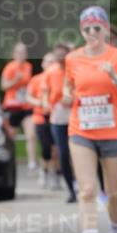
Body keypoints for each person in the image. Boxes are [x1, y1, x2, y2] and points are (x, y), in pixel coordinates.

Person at [64, 7, 117, 233]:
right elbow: (68, 88)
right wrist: (65, 96)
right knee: (87, 190)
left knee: (114, 194)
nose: (92, 33)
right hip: (81, 130)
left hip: (115, 132)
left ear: (106, 29)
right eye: (87, 28)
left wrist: (115, 78)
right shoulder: (72, 59)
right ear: (81, 31)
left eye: (97, 27)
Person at [42, 42, 76, 203]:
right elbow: (44, 92)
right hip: (58, 116)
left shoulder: (75, 70)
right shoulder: (50, 72)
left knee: (77, 152)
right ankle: (71, 189)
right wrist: (45, 103)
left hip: (75, 113)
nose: (60, 59)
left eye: (63, 56)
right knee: (63, 153)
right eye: (58, 56)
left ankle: (79, 183)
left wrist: (73, 97)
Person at [0, 43, 37, 171]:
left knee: (31, 135)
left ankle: (32, 163)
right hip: (12, 106)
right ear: (14, 54)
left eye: (24, 52)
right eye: (19, 52)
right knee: (11, 137)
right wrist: (15, 80)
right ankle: (10, 162)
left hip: (26, 105)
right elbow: (3, 86)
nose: (22, 55)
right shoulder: (10, 67)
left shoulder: (28, 66)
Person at [26, 53, 57, 188]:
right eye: (48, 62)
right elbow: (28, 97)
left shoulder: (60, 78)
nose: (50, 65)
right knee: (45, 148)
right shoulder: (36, 79)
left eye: (53, 62)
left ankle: (55, 173)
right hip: (40, 117)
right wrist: (40, 103)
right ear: (43, 64)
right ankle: (43, 171)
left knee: (56, 148)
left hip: (56, 117)